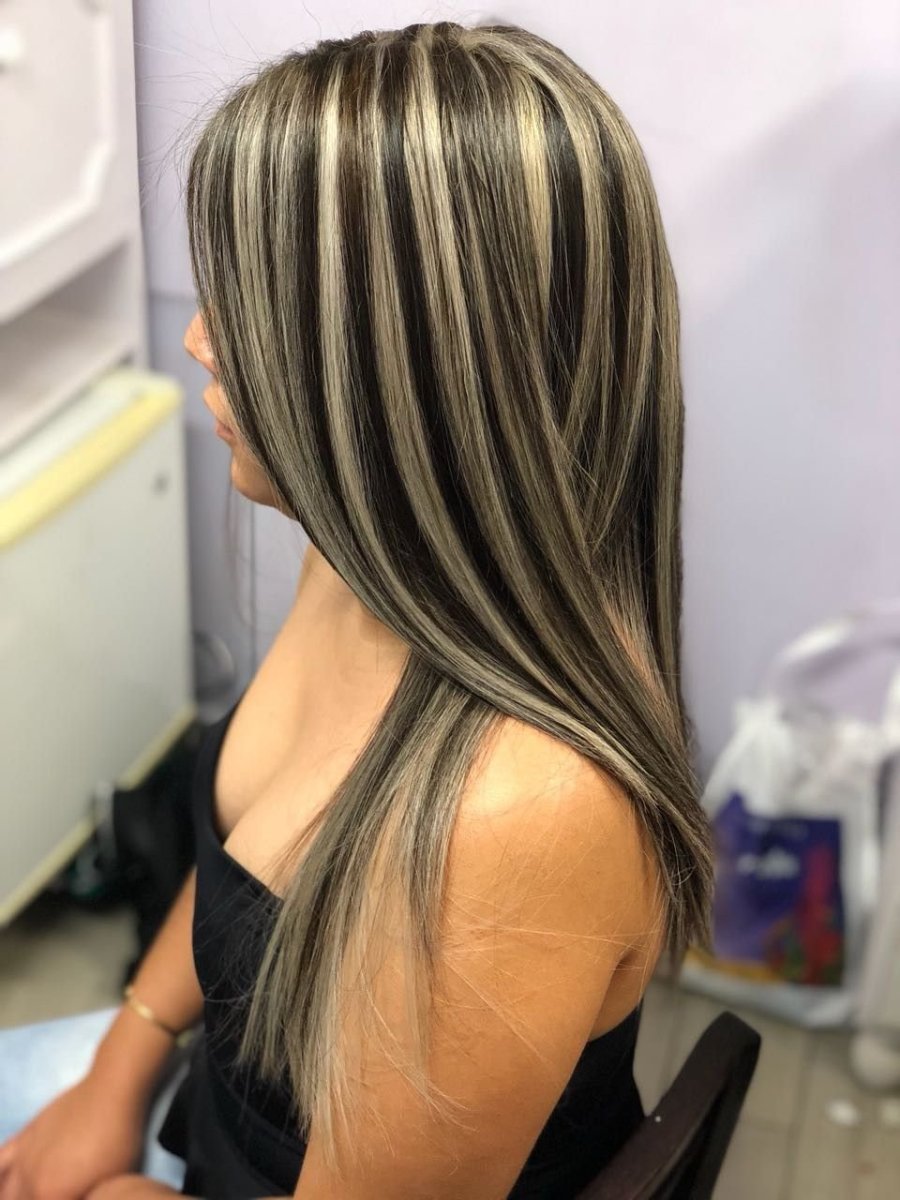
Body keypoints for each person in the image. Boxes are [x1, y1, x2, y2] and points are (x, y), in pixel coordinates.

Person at [0, 19, 713, 1200]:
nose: (198, 338)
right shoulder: (363, 564)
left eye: (249, 306)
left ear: (405, 373)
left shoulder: (521, 820)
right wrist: (123, 1064)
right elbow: (247, 865)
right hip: (207, 1103)